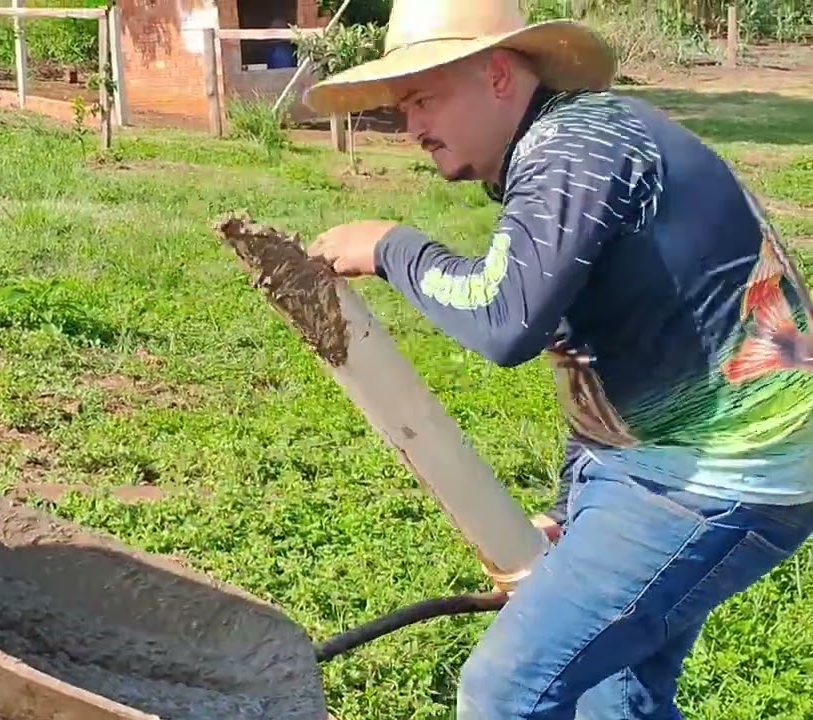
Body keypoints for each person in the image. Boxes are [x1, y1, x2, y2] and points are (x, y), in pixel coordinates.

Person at [301, 0, 813, 717]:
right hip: (663, 462)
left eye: (423, 99)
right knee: (611, 693)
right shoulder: (568, 145)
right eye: (401, 106)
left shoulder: (576, 147)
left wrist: (392, 248)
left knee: (506, 689)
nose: (410, 127)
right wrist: (574, 513)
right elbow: (598, 352)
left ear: (499, 75)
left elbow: (503, 321)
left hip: (721, 475)